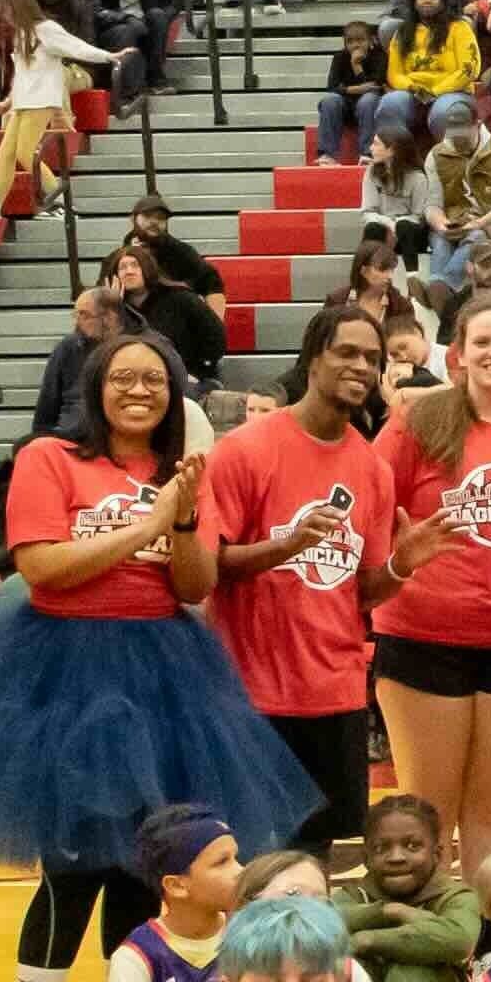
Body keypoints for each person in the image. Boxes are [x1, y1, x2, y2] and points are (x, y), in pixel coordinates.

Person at [0, 333, 310, 982]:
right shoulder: (50, 459)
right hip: (65, 673)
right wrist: (146, 527)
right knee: (72, 866)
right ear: (96, 387)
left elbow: (195, 584)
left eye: (155, 378)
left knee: (147, 869)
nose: (138, 390)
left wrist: (182, 523)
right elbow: (43, 569)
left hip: (166, 670)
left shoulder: (185, 471)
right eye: (122, 377)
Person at [199, 306, 404, 852]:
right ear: (314, 359)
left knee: (315, 864)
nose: (361, 366)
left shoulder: (372, 469)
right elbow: (205, 568)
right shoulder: (245, 451)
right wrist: (285, 547)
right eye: (347, 352)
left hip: (335, 694)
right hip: (252, 695)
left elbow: (362, 591)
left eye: (372, 358)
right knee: (248, 862)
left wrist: (406, 564)